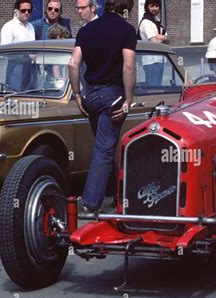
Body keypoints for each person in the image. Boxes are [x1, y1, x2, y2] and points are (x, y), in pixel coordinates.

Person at [69, 0, 136, 213]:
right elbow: (128, 65)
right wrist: (128, 99)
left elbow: (73, 63)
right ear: (126, 9)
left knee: (104, 144)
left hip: (90, 94)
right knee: (104, 150)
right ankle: (89, 204)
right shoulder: (127, 30)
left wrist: (78, 94)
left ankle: (118, 193)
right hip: (112, 96)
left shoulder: (86, 30)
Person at [137, 0, 167, 86]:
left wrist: (161, 37)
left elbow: (168, 39)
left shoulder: (156, 20)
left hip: (160, 60)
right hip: (151, 62)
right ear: (147, 7)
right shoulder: (146, 22)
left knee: (158, 86)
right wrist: (163, 37)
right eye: (152, 6)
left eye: (157, 6)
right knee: (153, 88)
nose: (155, 8)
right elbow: (155, 42)